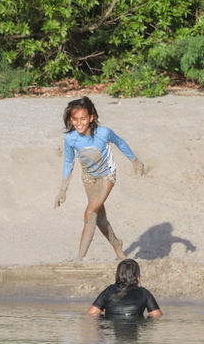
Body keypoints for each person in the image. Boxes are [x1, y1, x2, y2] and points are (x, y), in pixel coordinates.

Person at [54, 96, 146, 260]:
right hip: (88, 178)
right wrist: (63, 189)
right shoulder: (70, 138)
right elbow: (69, 162)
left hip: (107, 176)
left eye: (83, 118)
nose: (79, 123)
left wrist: (135, 161)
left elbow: (121, 143)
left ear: (91, 117)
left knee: (90, 213)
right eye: (75, 119)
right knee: (99, 218)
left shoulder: (104, 133)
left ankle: (79, 259)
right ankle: (117, 246)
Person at [88, 259, 162, 318]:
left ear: (117, 275)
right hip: (134, 331)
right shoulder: (144, 293)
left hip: (112, 331)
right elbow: (156, 315)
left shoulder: (109, 290)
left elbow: (92, 312)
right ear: (138, 278)